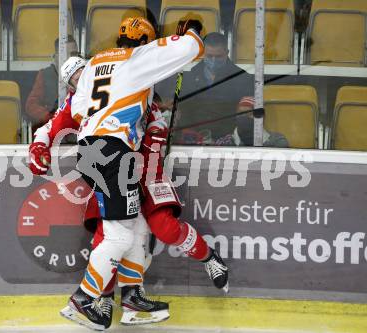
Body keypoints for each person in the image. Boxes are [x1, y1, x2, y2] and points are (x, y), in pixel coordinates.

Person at [29, 17, 228, 331]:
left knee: (134, 225)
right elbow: (193, 47)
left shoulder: (94, 66)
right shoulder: (135, 60)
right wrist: (190, 32)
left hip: (97, 151)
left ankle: (132, 300)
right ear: (144, 41)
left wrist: (41, 143)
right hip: (114, 152)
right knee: (119, 234)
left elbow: (68, 115)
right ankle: (83, 300)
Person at [156, 32, 254, 144]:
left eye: (218, 56)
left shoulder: (242, 78)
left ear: (227, 53)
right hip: (192, 138)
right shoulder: (188, 77)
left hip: (228, 140)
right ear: (202, 53)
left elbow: (246, 114)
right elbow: (177, 104)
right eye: (209, 56)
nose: (213, 60)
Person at [25, 35, 78, 128]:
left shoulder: (85, 75)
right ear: (56, 56)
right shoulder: (45, 75)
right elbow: (31, 105)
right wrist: (50, 118)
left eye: (74, 54)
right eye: (65, 54)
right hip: (53, 131)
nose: (71, 58)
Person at [215, 96, 289, 147]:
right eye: (240, 114)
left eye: (249, 114)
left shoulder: (276, 141)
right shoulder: (225, 142)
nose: (243, 117)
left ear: (261, 118)